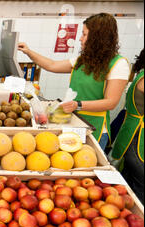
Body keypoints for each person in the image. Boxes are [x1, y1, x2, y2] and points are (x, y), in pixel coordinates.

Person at [18, 13, 130, 150]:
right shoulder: (83, 60)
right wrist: (28, 52)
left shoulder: (118, 64)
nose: (80, 39)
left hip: (94, 128)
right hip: (73, 122)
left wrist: (78, 105)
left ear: (97, 38)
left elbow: (111, 102)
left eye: (84, 34)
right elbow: (52, 65)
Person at [110, 49, 144, 203]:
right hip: (138, 138)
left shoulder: (141, 74)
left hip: (131, 131)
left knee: (129, 180)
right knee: (139, 186)